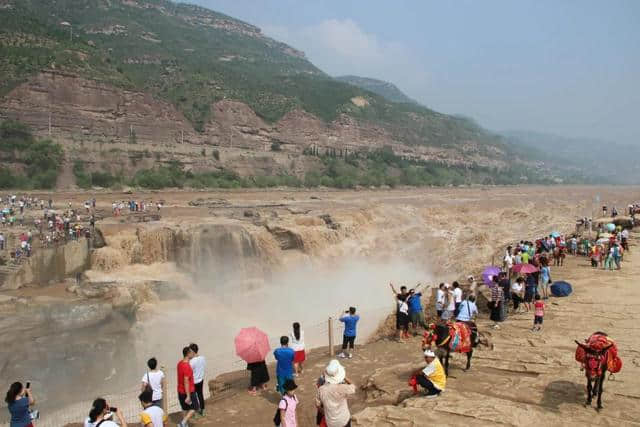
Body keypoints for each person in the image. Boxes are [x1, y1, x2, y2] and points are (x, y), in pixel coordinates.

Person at [316, 360, 356, 427]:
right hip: (343, 419)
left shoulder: (321, 389)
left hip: (331, 422)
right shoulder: (343, 388)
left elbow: (317, 405)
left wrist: (325, 413)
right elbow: (353, 386)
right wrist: (344, 377)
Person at [177, 346, 198, 427]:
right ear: (188, 354)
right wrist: (188, 396)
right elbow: (186, 381)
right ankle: (183, 423)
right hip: (189, 391)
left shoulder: (179, 363)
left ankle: (184, 424)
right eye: (192, 353)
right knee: (195, 407)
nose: (193, 354)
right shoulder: (187, 367)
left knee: (184, 408)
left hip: (180, 390)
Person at [189, 343, 206, 416]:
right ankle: (202, 411)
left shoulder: (192, 361)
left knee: (193, 397)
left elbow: (189, 371)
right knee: (200, 395)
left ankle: (195, 412)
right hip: (201, 380)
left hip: (194, 381)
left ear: (192, 351)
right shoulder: (202, 358)